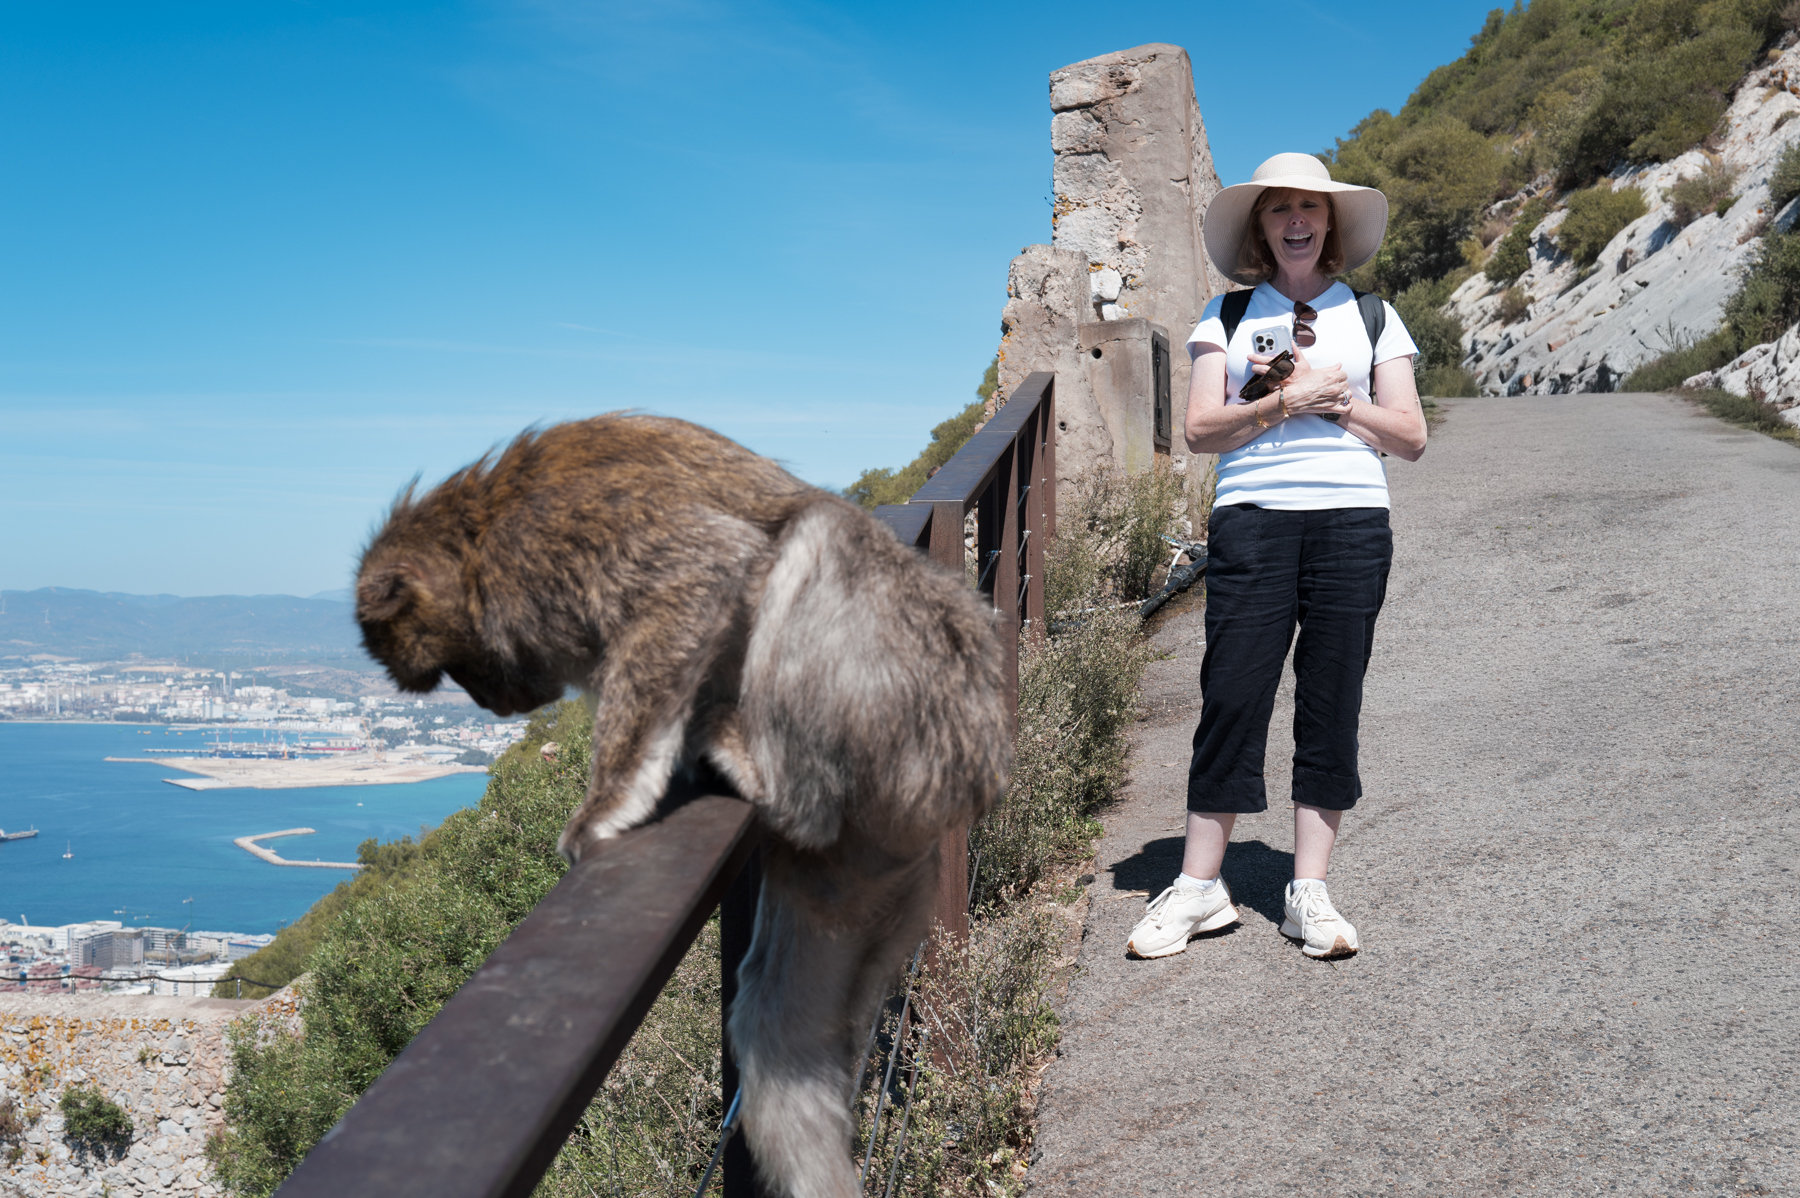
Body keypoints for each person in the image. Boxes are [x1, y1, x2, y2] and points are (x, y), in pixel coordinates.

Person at [1127, 152, 1427, 961]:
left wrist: (1339, 400)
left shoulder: (1372, 317)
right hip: (1252, 518)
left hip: (1352, 522)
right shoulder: (1223, 315)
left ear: (1330, 223)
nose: (1296, 221)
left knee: (1333, 694)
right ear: (1261, 227)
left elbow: (1411, 437)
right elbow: (1196, 430)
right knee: (1232, 691)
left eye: (1310, 207)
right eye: (1279, 209)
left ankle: (1310, 891)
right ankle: (1198, 887)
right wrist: (1281, 399)